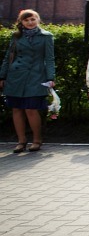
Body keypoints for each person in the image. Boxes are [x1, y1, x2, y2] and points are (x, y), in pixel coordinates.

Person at [0, 9, 55, 153]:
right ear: (21, 22)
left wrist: (51, 77)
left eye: (33, 19)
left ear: (38, 19)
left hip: (36, 76)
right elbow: (8, 56)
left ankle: (37, 140)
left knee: (31, 108)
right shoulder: (16, 36)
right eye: (26, 20)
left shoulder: (46, 36)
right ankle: (21, 141)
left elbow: (49, 58)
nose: (30, 22)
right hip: (16, 76)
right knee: (17, 108)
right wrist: (2, 76)